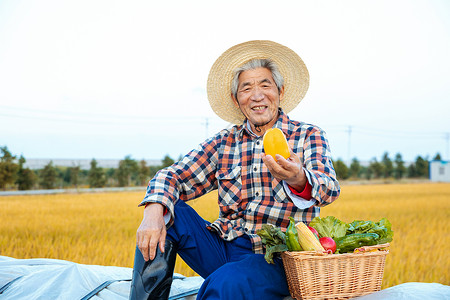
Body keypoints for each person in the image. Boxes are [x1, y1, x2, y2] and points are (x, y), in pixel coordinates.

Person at [129, 40, 340, 300]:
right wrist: (153, 213)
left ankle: (225, 282)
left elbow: (329, 187)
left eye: (265, 85)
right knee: (169, 213)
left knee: (227, 283)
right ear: (236, 99)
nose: (257, 95)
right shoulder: (224, 142)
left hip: (278, 257)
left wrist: (298, 178)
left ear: (280, 91)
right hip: (225, 247)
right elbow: (172, 175)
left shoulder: (307, 135)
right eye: (246, 88)